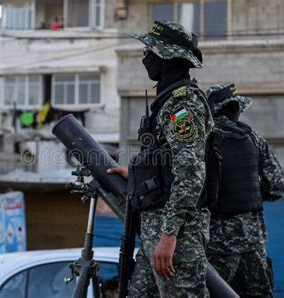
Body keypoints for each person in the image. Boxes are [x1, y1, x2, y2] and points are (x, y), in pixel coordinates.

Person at [107, 20, 213, 297]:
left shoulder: (182, 104)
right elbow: (166, 161)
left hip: (177, 238)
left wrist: (169, 235)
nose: (145, 57)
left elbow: (191, 172)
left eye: (149, 50)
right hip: (155, 232)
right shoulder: (167, 101)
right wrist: (137, 175)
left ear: (166, 56)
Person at [204, 84, 284, 297]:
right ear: (233, 109)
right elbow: (276, 188)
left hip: (216, 245)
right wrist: (250, 194)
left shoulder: (201, 140)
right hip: (253, 243)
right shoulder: (254, 138)